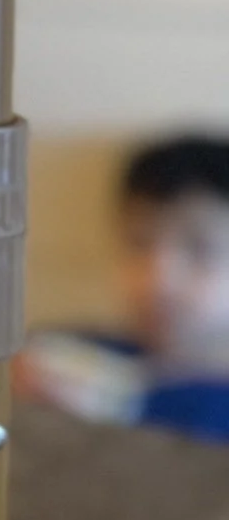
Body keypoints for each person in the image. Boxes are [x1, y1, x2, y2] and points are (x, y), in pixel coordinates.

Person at [17, 137, 229, 439]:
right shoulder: (71, 355)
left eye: (200, 248)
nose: (158, 279)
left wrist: (123, 407)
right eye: (139, 243)